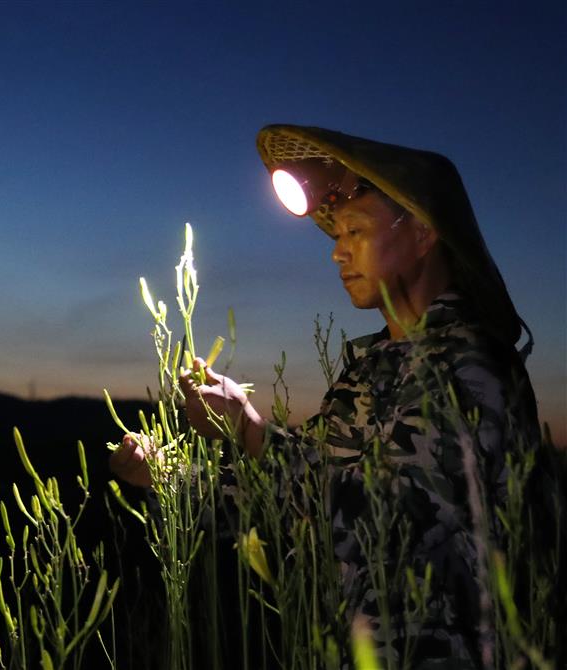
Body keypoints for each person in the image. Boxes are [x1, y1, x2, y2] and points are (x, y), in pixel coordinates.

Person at [109, 125, 554, 668]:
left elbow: (383, 516)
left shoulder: (470, 365)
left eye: (357, 231)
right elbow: (285, 501)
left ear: (422, 232)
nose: (338, 254)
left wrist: (248, 427)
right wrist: (163, 475)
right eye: (337, 234)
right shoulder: (369, 372)